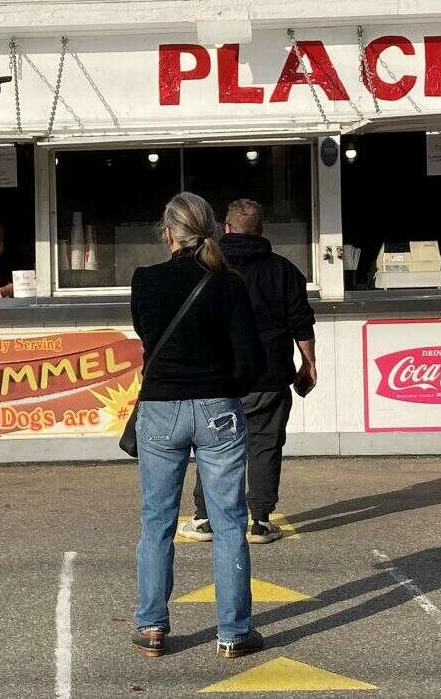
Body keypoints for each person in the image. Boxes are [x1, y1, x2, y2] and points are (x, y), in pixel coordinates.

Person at [128, 193, 266, 661]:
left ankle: (151, 626)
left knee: (157, 521)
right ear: (212, 230)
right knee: (229, 523)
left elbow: (148, 339)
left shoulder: (145, 281)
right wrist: (226, 383)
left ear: (167, 234)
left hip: (162, 407)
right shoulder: (230, 283)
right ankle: (234, 631)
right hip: (217, 407)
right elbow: (251, 360)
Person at [181, 198, 316, 546]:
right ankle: (259, 521)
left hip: (216, 374)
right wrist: (309, 365)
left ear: (225, 228)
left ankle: (204, 517)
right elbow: (301, 323)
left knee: (212, 445)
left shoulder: (206, 267)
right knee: (264, 445)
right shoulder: (283, 270)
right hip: (268, 375)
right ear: (261, 229)